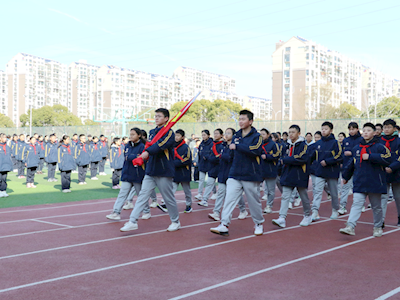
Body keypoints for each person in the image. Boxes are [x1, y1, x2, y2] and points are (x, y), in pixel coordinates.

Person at [120, 108, 181, 232]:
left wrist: (146, 152)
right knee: (142, 195)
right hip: (151, 170)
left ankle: (175, 221)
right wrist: (145, 155)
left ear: (166, 119)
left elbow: (159, 146)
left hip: (163, 171)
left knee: (168, 198)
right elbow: (150, 145)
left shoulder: (169, 133)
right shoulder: (152, 132)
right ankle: (133, 221)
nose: (156, 118)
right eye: (156, 116)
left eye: (159, 116)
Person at [210, 110, 264, 236]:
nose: (240, 121)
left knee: (253, 201)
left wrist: (238, 147)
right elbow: (232, 153)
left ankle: (259, 223)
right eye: (239, 119)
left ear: (250, 121)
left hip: (250, 174)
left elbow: (256, 150)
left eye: (243, 119)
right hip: (234, 173)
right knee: (229, 199)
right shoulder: (236, 136)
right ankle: (224, 224)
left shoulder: (257, 136)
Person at [340, 123, 391, 237]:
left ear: (374, 133)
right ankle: (350, 226)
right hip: (360, 181)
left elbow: (388, 159)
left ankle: (378, 226)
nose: (366, 132)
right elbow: (351, 163)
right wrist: (346, 177)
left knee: (376, 207)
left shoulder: (379, 147)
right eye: (365, 130)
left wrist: (371, 157)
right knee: (356, 203)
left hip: (375, 182)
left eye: (369, 130)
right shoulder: (357, 148)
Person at [272, 125, 313, 228]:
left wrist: (286, 160)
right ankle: (282, 218)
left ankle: (307, 215)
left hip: (300, 175)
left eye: (293, 132)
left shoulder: (303, 146)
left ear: (299, 133)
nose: (290, 134)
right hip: (288, 174)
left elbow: (301, 158)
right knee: (285, 196)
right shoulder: (286, 145)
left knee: (304, 197)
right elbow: (281, 158)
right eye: (289, 132)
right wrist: (280, 170)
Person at [107, 128, 152, 220]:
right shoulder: (127, 145)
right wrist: (133, 157)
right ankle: (116, 212)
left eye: (133, 135)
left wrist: (133, 157)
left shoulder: (142, 146)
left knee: (141, 195)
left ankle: (146, 211)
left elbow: (140, 158)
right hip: (127, 174)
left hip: (138, 174)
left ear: (139, 135)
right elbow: (127, 157)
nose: (130, 136)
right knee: (122, 194)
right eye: (130, 134)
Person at [208, 128, 248, 221]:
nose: (226, 134)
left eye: (229, 133)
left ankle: (243, 210)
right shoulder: (223, 145)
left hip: (232, 173)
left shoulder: (235, 146)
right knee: (221, 192)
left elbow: (231, 158)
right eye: (226, 133)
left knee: (236, 194)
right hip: (223, 172)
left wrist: (222, 156)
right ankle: (216, 212)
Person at [310, 122, 342, 221]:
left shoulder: (335, 143)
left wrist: (328, 162)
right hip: (320, 172)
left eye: (326, 129)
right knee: (317, 192)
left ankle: (335, 210)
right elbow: (311, 156)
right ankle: (315, 211)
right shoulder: (318, 143)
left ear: (331, 130)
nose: (323, 131)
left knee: (333, 193)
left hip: (332, 172)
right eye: (322, 129)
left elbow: (339, 156)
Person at [379, 119, 400, 227]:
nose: (386, 129)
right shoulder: (379, 141)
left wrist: (392, 167)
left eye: (389, 127)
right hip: (383, 172)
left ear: (394, 129)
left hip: (396, 172)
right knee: (383, 197)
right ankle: (381, 220)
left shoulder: (398, 141)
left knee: (398, 197)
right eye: (385, 127)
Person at [338, 122, 362, 215]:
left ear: (357, 129)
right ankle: (342, 206)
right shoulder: (346, 140)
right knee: (345, 187)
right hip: (347, 167)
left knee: (358, 187)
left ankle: (361, 205)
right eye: (350, 129)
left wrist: (352, 153)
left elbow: (361, 152)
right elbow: (342, 153)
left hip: (358, 167)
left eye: (353, 129)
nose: (351, 131)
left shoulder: (361, 139)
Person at [198, 129, 224, 207]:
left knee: (223, 187)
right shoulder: (212, 144)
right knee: (209, 183)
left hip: (221, 168)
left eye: (217, 134)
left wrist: (209, 158)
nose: (215, 135)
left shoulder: (223, 145)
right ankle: (205, 200)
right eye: (214, 133)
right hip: (212, 167)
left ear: (221, 135)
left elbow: (219, 157)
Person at [172, 129, 193, 213]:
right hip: (175, 172)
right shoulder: (172, 146)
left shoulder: (185, 147)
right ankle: (168, 205)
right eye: (175, 135)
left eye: (178, 136)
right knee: (172, 189)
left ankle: (188, 205)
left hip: (184, 172)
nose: (176, 137)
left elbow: (187, 159)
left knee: (186, 190)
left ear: (182, 137)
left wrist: (174, 163)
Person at [260, 128, 280, 214]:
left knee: (270, 190)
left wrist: (267, 157)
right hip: (260, 170)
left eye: (263, 134)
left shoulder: (273, 144)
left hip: (270, 169)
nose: (262, 136)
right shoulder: (258, 144)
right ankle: (256, 205)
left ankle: (269, 206)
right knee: (255, 189)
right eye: (260, 134)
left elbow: (277, 155)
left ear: (268, 135)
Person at [195, 130, 213, 201]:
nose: (203, 136)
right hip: (202, 164)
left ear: (208, 135)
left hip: (209, 164)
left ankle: (214, 192)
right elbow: (199, 153)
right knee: (201, 179)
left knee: (210, 180)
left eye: (205, 135)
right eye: (202, 135)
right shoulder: (201, 144)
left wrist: (207, 157)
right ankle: (199, 193)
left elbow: (212, 153)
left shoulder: (211, 143)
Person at [0, 133, 12, 198]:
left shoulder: (7, 147)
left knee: (4, 179)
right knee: (0, 179)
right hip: (0, 165)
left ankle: (3, 190)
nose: (5, 139)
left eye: (6, 137)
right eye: (4, 137)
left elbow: (9, 156)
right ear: (0, 138)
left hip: (5, 166)